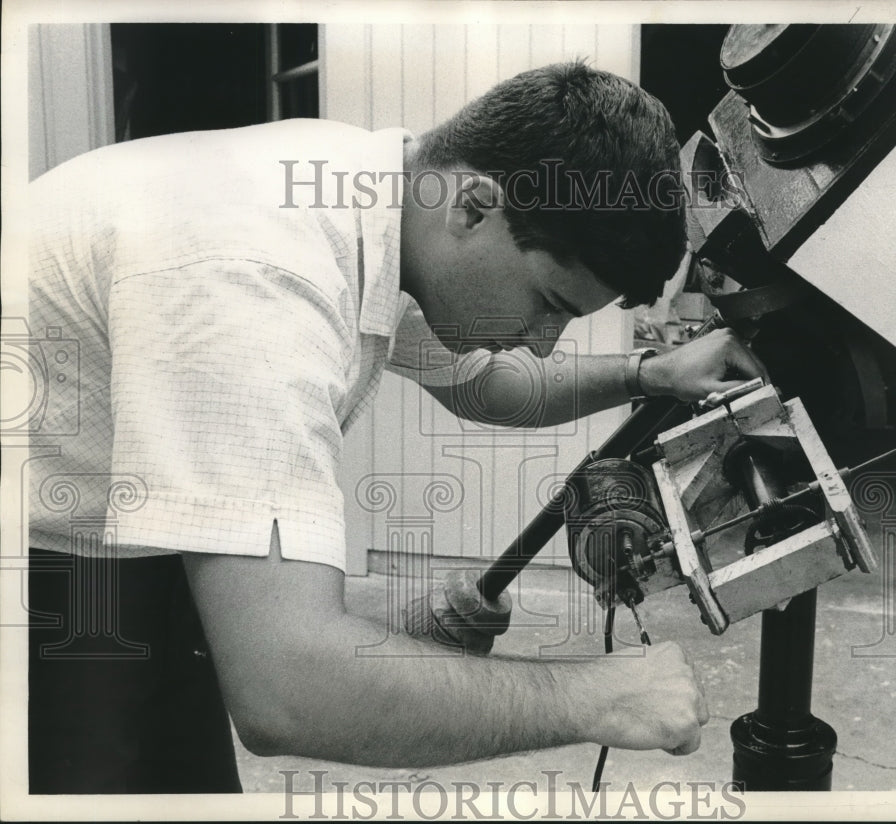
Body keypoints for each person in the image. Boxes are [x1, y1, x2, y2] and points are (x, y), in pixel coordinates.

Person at [26, 61, 767, 794]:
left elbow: (491, 386)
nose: (544, 341)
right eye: (549, 303)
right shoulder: (255, 277)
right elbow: (287, 691)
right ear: (476, 208)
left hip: (102, 542)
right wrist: (596, 697)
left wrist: (648, 375)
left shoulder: (388, 197)